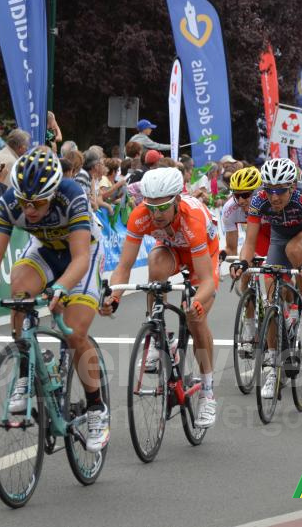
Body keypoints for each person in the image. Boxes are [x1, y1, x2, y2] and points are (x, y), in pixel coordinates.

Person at [0, 147, 109, 452]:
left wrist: (62, 287)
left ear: (52, 194)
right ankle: (25, 371)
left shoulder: (72, 196)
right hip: (44, 250)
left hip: (83, 254)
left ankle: (96, 408)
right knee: (19, 291)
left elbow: (79, 258)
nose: (29, 210)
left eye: (37, 203)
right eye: (24, 202)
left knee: (75, 333)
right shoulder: (9, 203)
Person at [100, 167, 219, 428]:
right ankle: (158, 333)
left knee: (197, 320)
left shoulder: (193, 219)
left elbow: (207, 280)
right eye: (150, 207)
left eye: (163, 207)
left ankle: (208, 392)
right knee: (155, 263)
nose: (156, 215)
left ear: (177, 200)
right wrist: (114, 297)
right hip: (172, 250)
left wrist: (196, 303)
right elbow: (124, 266)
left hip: (202, 254)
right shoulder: (141, 216)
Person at [231, 158, 302, 399]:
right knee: (270, 295)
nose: (274, 197)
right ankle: (273, 367)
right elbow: (249, 243)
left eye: (280, 191)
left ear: (292, 187)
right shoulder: (260, 198)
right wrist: (242, 262)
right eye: (269, 190)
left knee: (296, 252)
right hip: (278, 237)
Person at [222, 167, 270, 342]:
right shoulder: (230, 209)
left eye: (247, 194)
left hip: (273, 235)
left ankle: (289, 308)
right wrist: (223, 256)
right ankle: (249, 323)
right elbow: (232, 247)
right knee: (245, 273)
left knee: (276, 274)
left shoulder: (270, 201)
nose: (241, 200)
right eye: (237, 195)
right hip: (254, 239)